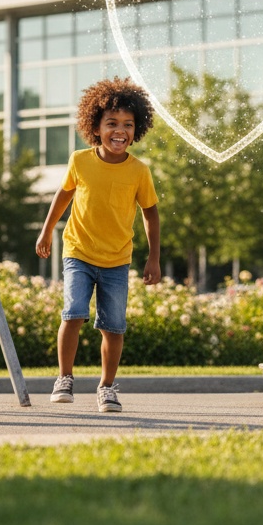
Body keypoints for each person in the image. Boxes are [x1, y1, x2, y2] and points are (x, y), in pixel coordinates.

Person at [36, 77, 161, 413]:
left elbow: (150, 214)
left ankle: (107, 387)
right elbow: (62, 197)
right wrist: (46, 232)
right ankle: (64, 377)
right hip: (78, 251)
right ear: (95, 126)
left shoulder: (139, 171)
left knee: (114, 325)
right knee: (74, 313)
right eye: (111, 123)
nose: (120, 131)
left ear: (137, 129)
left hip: (118, 260)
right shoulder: (80, 161)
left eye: (127, 125)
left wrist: (154, 259)